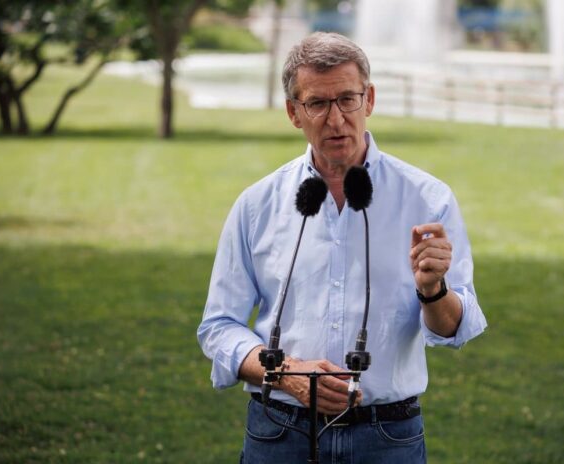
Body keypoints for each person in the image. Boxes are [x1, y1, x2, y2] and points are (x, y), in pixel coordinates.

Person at [198, 32, 487, 464]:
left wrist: (433, 290)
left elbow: (454, 328)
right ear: (293, 113)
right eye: (317, 103)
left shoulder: (428, 200)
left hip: (387, 438)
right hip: (279, 433)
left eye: (348, 100)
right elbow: (219, 326)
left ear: (369, 100)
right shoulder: (257, 205)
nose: (336, 120)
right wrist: (285, 373)